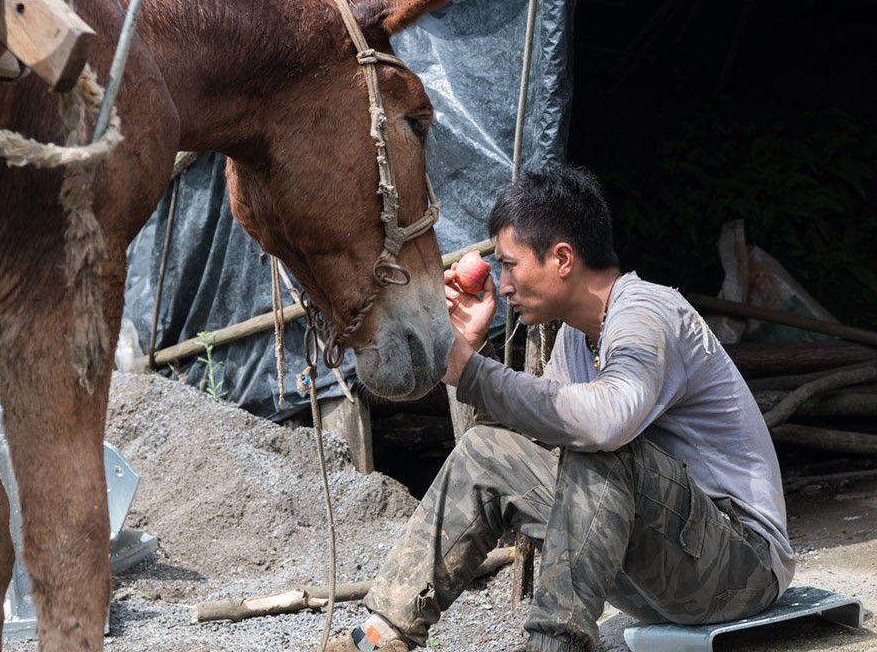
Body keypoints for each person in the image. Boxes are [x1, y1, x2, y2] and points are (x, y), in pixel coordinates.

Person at [326, 164, 794, 652]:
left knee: (601, 443)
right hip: (662, 569)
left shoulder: (646, 313)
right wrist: (471, 351)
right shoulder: (575, 336)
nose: (502, 285)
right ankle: (382, 636)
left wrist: (470, 372)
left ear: (563, 258)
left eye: (509, 264)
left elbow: (603, 425)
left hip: (740, 567)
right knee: (486, 450)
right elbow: (530, 446)